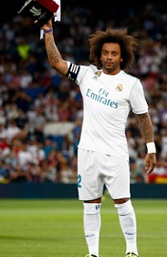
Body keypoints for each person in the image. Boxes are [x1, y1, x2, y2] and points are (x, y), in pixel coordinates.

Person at [39, 19, 156, 257]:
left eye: (114, 53)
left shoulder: (132, 84)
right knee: (90, 205)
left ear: (122, 57)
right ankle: (93, 253)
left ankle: (132, 251)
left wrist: (151, 149)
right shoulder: (86, 75)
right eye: (105, 53)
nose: (109, 57)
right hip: (88, 152)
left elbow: (143, 118)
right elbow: (56, 62)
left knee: (123, 202)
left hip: (116, 153)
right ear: (99, 56)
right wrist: (48, 31)